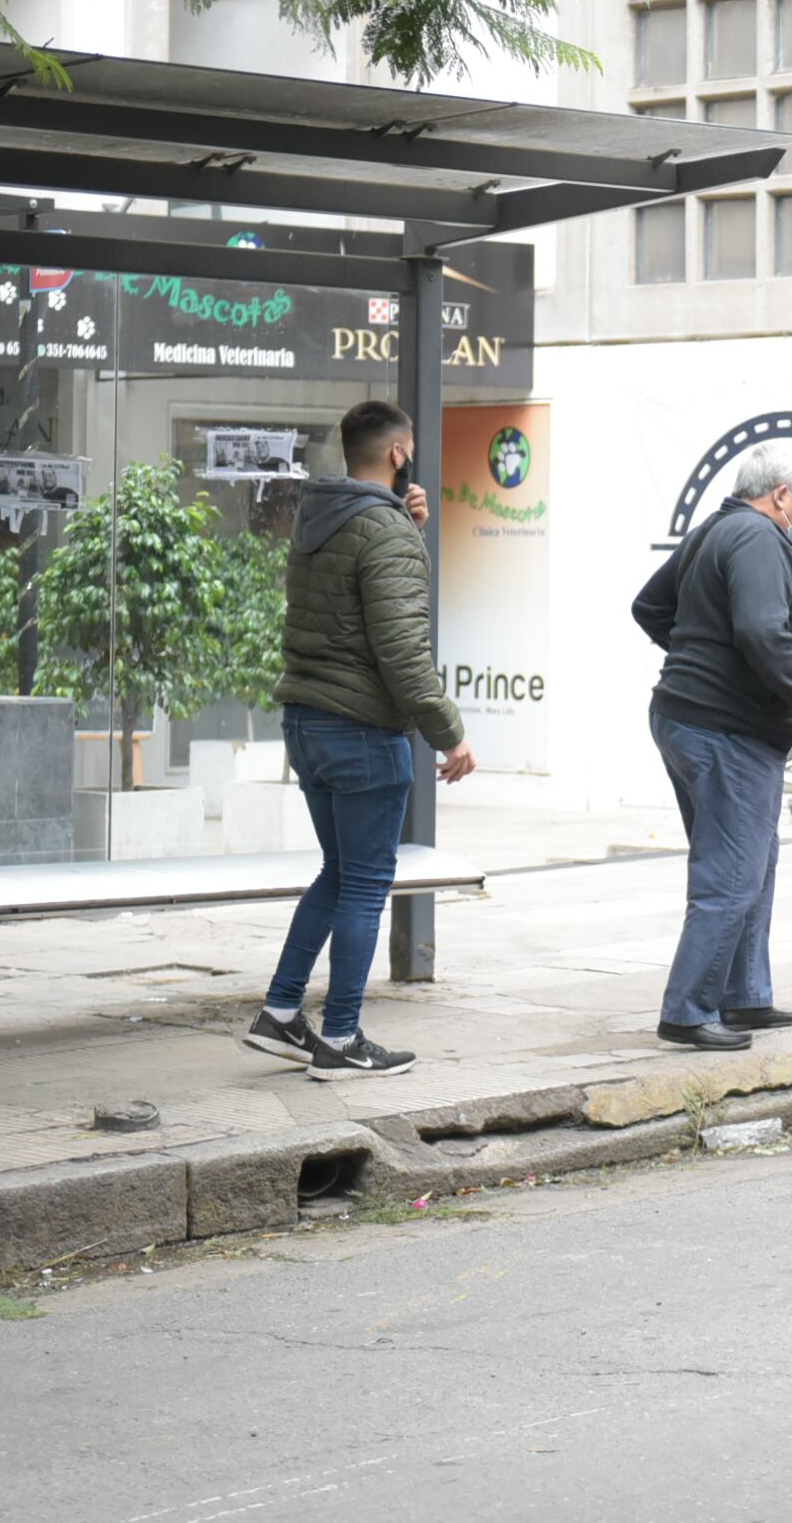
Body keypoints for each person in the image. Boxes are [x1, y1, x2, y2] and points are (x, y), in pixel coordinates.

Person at [248, 398, 475, 1081]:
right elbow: (403, 651)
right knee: (367, 884)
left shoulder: (324, 517)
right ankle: (342, 1039)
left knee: (340, 873)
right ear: (398, 453)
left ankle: (282, 1014)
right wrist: (449, 734)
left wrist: (406, 529)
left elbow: (354, 601)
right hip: (360, 731)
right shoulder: (386, 531)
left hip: (307, 721)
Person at [633, 444, 792, 1051]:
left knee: (753, 862)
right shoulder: (756, 536)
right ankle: (688, 1010)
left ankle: (743, 996)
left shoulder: (711, 531)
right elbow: (760, 630)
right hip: (727, 729)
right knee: (732, 873)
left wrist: (700, 655)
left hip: (689, 719)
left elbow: (649, 607)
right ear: (779, 494)